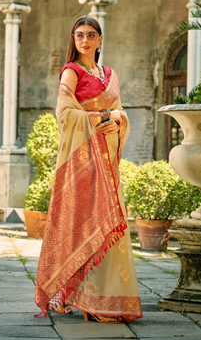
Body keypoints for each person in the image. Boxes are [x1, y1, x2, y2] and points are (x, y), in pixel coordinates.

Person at [35, 16, 142, 323]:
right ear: (74, 39)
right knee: (80, 222)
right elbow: (65, 111)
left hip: (107, 162)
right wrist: (100, 118)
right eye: (79, 35)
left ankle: (106, 297)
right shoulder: (72, 71)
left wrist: (118, 120)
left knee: (110, 223)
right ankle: (69, 295)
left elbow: (120, 112)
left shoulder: (109, 75)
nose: (84, 39)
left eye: (90, 35)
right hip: (82, 161)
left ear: (100, 39)